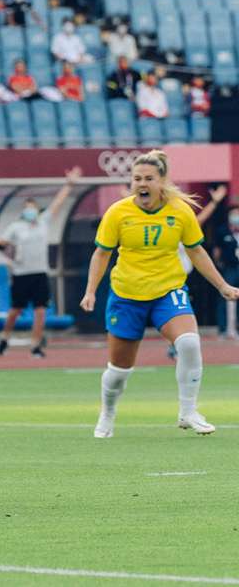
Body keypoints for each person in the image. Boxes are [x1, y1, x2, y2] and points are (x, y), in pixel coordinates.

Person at [81, 151, 238, 438]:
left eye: (149, 179)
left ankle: (188, 411)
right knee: (119, 371)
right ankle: (108, 412)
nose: (142, 184)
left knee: (189, 342)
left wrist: (222, 286)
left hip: (168, 290)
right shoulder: (118, 212)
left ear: (162, 181)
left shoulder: (179, 211)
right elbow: (102, 254)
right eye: (137, 178)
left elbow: (196, 251)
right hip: (127, 295)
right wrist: (91, 290)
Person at [0, 168, 80, 359]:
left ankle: (35, 345)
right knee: (15, 310)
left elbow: (57, 204)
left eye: (33, 207)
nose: (30, 211)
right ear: (23, 211)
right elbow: (1, 245)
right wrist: (10, 255)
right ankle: (4, 338)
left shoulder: (43, 222)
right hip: (21, 274)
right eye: (27, 208)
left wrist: (69, 184)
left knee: (40, 311)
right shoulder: (16, 227)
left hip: (39, 273)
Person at [214, 198, 239, 339]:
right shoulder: (222, 231)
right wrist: (219, 264)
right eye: (234, 213)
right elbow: (216, 251)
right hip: (229, 267)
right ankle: (223, 329)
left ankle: (236, 328)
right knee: (226, 296)